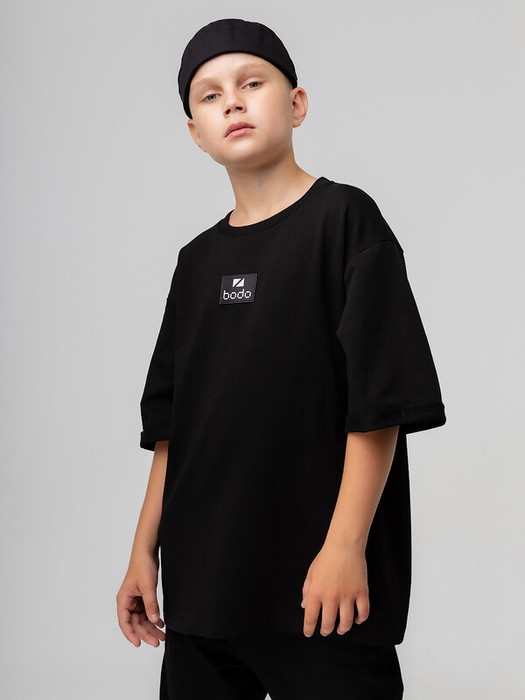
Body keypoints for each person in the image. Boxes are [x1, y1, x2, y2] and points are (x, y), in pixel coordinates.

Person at [116, 17, 447, 699]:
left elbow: (380, 404)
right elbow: (172, 428)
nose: (232, 102)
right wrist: (142, 553)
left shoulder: (345, 222)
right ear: (195, 133)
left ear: (296, 103)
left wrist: (344, 547)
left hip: (320, 589)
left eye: (251, 83)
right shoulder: (195, 262)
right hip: (203, 588)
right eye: (210, 95)